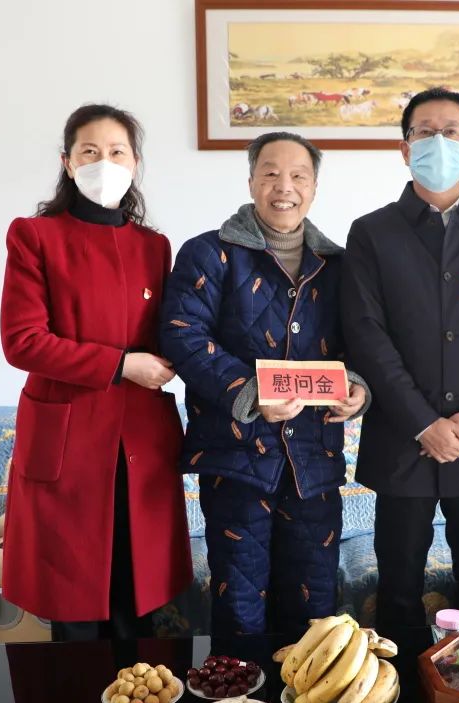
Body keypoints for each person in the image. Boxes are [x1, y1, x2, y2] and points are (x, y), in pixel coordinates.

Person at [340, 88, 459, 632]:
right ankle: (401, 680)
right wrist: (424, 423)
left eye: (451, 131)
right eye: (425, 132)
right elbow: (367, 336)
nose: (439, 141)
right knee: (397, 590)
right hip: (403, 442)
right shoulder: (372, 232)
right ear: (405, 149)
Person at [160, 132, 370, 636]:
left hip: (314, 463)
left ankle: (305, 692)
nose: (284, 187)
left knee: (316, 608)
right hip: (236, 460)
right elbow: (183, 333)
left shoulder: (339, 266)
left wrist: (357, 387)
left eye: (299, 176)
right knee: (239, 605)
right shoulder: (209, 253)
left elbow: (361, 343)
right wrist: (250, 393)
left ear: (314, 187)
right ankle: (241, 691)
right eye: (271, 173)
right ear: (251, 180)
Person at [0, 104, 191, 642]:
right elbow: (22, 341)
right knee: (75, 603)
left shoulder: (153, 246)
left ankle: (144, 690)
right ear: (67, 162)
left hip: (140, 443)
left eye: (116, 152)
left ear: (134, 163)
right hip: (69, 443)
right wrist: (121, 365)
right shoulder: (34, 236)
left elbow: (169, 335)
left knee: (137, 595)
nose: (103, 162)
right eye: (89, 151)